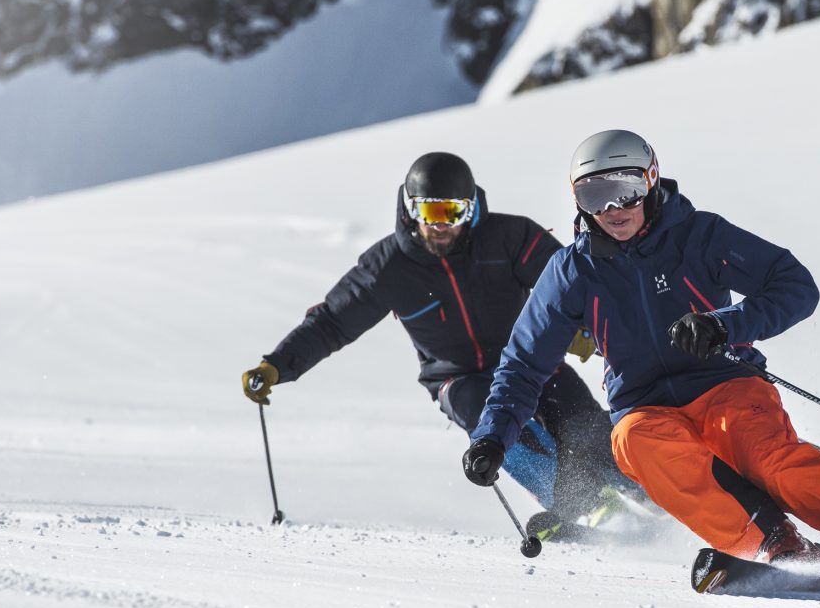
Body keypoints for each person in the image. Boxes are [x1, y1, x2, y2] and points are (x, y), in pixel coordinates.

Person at [459, 130, 820, 567]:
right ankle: (772, 545)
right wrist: (492, 437)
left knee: (775, 467)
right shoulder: (572, 272)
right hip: (644, 404)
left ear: (651, 181)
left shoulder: (697, 237)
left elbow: (795, 285)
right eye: (595, 195)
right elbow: (524, 365)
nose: (613, 210)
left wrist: (726, 325)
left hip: (726, 386)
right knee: (634, 442)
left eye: (626, 190)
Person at [241, 152, 636, 531]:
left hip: (528, 360)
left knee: (584, 425)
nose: (442, 224)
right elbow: (332, 322)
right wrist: (277, 365)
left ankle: (658, 496)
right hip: (458, 377)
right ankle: (590, 508)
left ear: (472, 209)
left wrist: (585, 327)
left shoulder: (508, 237)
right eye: (431, 212)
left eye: (454, 212)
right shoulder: (387, 268)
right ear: (411, 210)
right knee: (496, 429)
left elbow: (572, 283)